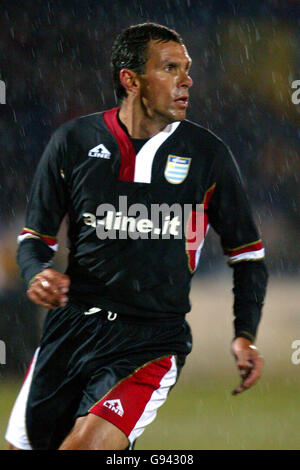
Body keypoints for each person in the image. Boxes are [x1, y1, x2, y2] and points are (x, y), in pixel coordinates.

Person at [6, 23, 268, 450]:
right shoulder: (73, 142)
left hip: (150, 339)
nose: (187, 81)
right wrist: (37, 273)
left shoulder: (208, 154)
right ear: (131, 79)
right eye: (170, 68)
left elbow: (247, 255)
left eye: (187, 69)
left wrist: (245, 332)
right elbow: (35, 239)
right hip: (71, 331)